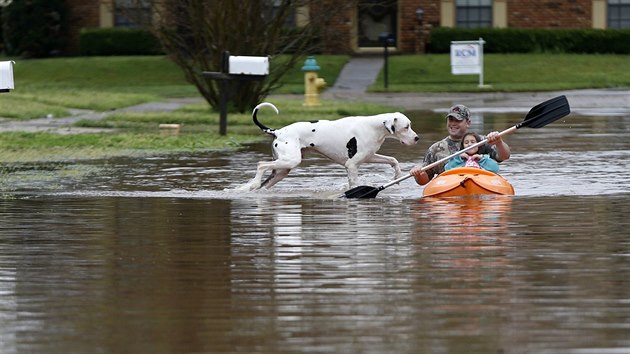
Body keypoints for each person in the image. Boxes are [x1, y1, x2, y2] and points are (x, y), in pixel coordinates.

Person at [410, 104, 510, 185]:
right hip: (449, 191)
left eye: (458, 120)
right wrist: (419, 174)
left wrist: (499, 142)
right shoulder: (436, 149)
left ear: (468, 123)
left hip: (481, 185)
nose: (453, 123)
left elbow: (504, 156)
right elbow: (424, 181)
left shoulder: (482, 141)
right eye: (451, 120)